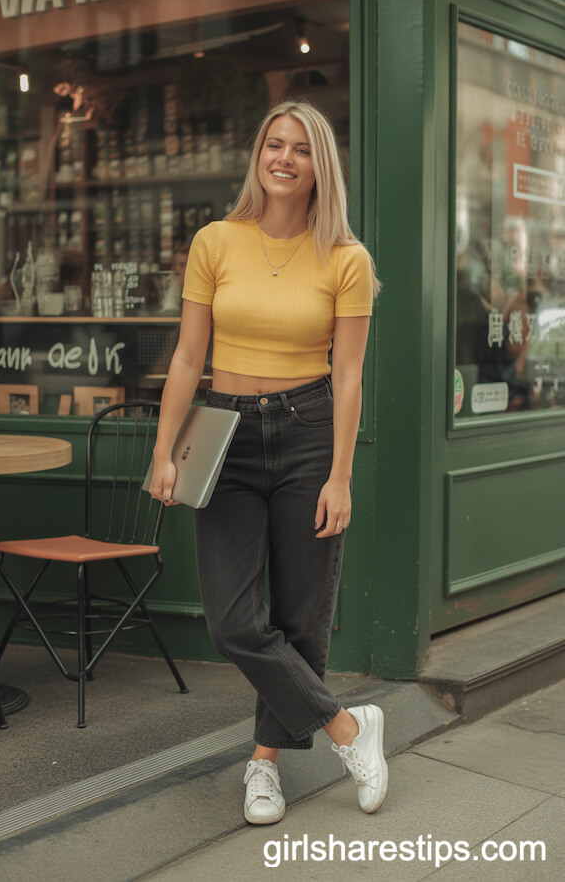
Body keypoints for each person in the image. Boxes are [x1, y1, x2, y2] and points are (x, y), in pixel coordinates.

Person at [149, 99, 386, 824]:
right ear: (259, 156)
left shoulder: (347, 259)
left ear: (322, 168)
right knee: (233, 621)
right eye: (273, 144)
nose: (284, 158)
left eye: (301, 149)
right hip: (225, 432)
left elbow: (348, 375)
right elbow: (190, 355)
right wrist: (164, 451)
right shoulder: (215, 241)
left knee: (300, 617)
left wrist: (341, 475)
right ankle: (350, 728)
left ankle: (264, 765)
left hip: (311, 431)